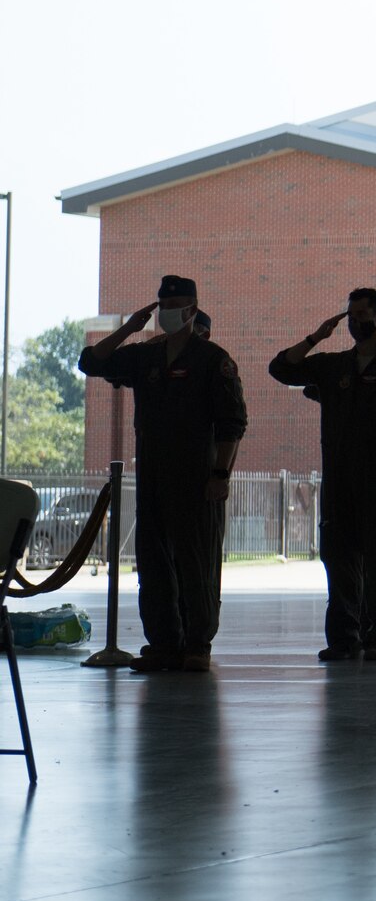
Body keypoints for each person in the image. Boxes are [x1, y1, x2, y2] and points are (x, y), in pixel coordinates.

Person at [77, 275, 248, 673]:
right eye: (163, 306)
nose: (168, 313)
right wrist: (129, 328)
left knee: (196, 562)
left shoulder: (212, 360)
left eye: (177, 306)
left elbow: (232, 424)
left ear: (192, 309)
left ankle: (196, 643)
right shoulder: (145, 357)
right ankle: (163, 643)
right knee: (153, 563)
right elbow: (91, 362)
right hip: (153, 475)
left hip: (197, 476)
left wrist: (221, 473)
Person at [269, 288, 376, 662]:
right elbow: (281, 369)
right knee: (338, 558)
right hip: (339, 480)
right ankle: (344, 637)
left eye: (363, 315)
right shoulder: (334, 367)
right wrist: (315, 337)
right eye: (352, 315)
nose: (357, 322)